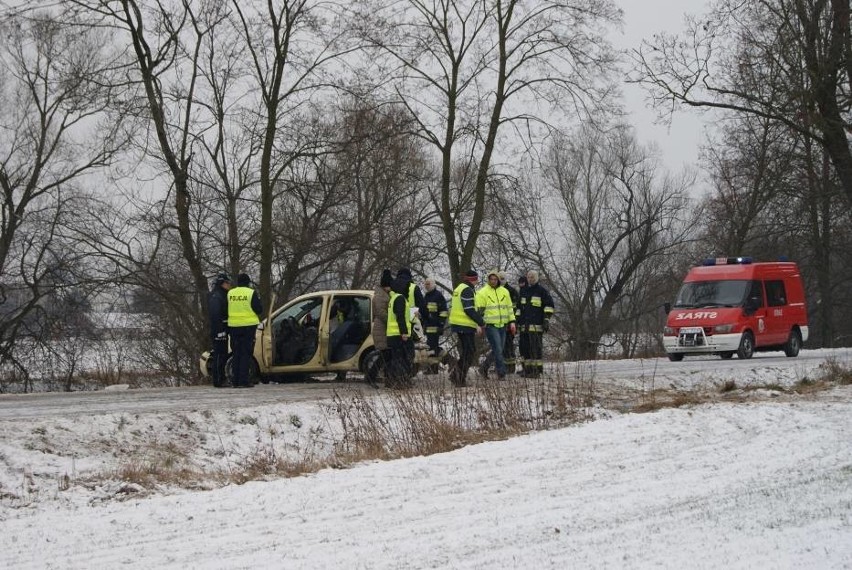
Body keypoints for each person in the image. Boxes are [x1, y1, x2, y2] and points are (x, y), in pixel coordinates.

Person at [476, 270, 516, 380]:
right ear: (488, 280)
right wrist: (478, 324)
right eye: (491, 279)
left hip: (503, 325)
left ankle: (484, 367)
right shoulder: (482, 292)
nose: (493, 281)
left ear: (498, 279)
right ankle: (501, 373)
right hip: (490, 325)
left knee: (498, 349)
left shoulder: (504, 291)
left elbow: (509, 308)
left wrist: (512, 322)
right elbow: (478, 310)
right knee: (498, 349)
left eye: (495, 279)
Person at [448, 269, 485, 387]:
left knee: (467, 352)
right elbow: (469, 309)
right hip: (464, 325)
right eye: (476, 279)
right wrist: (481, 322)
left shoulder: (459, 288)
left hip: (459, 324)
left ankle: (457, 375)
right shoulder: (467, 290)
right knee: (469, 352)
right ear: (474, 280)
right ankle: (457, 377)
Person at [227, 273, 263, 388]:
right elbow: (258, 309)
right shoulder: (250, 293)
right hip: (248, 327)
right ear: (248, 282)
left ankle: (235, 380)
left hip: (233, 327)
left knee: (236, 353)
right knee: (246, 354)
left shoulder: (230, 293)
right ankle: (243, 380)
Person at [518, 269, 554, 378]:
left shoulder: (542, 291)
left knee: (535, 349)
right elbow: (519, 308)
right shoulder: (524, 292)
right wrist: (517, 321)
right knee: (525, 349)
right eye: (529, 277)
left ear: (537, 278)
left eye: (533, 277)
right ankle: (527, 370)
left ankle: (536, 371)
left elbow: (549, 306)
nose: (530, 279)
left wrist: (546, 320)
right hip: (524, 327)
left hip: (537, 326)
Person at [386, 274, 415, 388]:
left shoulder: (394, 298)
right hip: (399, 334)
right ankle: (401, 382)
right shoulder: (400, 299)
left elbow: (403, 316)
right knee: (402, 359)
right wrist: (404, 332)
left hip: (393, 334)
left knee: (396, 359)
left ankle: (393, 381)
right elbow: (400, 317)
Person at [366, 269, 393, 387]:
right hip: (381, 329)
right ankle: (371, 376)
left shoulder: (383, 295)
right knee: (384, 355)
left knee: (386, 356)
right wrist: (392, 322)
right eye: (389, 286)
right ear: (385, 286)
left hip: (382, 329)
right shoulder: (381, 297)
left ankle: (384, 378)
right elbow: (382, 314)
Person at [208, 272, 231, 388]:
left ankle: (221, 378)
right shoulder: (217, 296)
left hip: (222, 329)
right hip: (219, 330)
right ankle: (218, 379)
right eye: (227, 283)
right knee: (219, 355)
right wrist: (219, 330)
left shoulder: (221, 294)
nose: (229, 285)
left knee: (223, 354)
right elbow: (215, 314)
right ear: (222, 283)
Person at [498, 271, 520, 372]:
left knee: (509, 345)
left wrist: (514, 323)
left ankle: (510, 367)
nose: (501, 280)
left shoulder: (512, 291)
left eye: (503, 278)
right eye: (500, 278)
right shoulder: (495, 290)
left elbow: (515, 309)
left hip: (510, 323)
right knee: (499, 346)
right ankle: (501, 366)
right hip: (498, 323)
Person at [422, 277, 448, 357]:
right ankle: (434, 367)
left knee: (432, 349)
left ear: (433, 284)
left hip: (436, 326)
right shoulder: (426, 296)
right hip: (428, 327)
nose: (426, 286)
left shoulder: (438, 296)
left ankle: (447, 359)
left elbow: (443, 311)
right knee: (431, 349)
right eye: (425, 284)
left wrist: (441, 324)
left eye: (428, 284)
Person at [516, 275, 529, 374]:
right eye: (520, 283)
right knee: (522, 348)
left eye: (522, 283)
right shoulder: (520, 293)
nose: (521, 285)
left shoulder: (528, 292)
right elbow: (519, 309)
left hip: (528, 324)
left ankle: (528, 368)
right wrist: (517, 321)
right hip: (522, 325)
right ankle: (524, 367)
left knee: (527, 347)